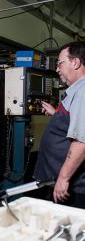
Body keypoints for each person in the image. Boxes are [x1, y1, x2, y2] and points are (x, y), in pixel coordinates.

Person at [34, 41, 85, 208]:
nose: (57, 69)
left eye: (60, 63)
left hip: (72, 187)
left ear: (75, 62)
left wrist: (63, 179)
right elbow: (75, 122)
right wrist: (56, 114)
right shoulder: (77, 91)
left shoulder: (82, 92)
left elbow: (81, 142)